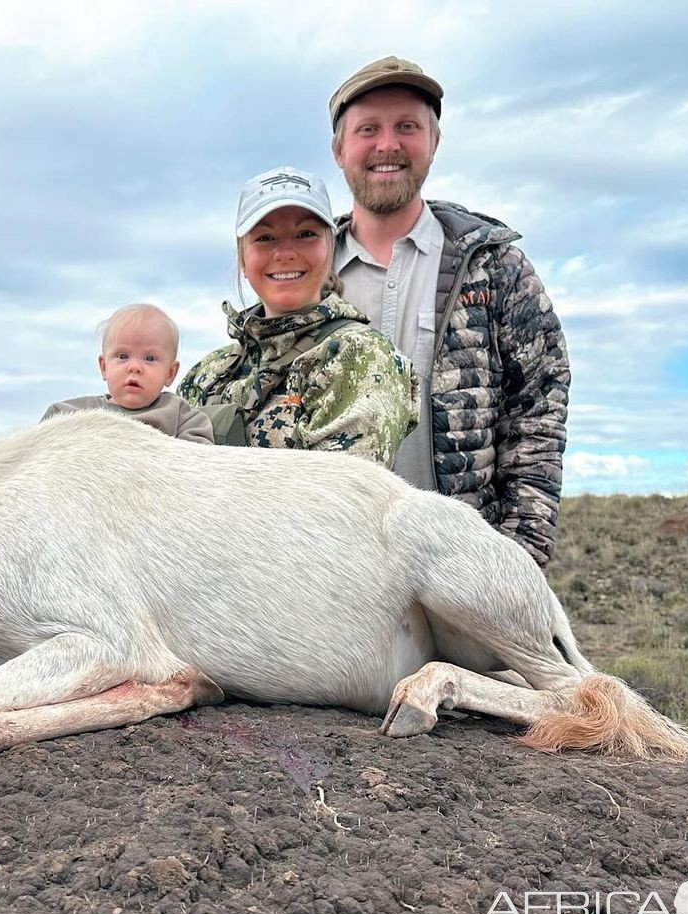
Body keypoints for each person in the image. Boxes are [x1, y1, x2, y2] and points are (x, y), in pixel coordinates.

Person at [328, 55, 570, 566]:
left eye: (407, 127)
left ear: (433, 143)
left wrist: (517, 557)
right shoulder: (301, 274)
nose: (387, 145)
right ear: (339, 149)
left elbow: (538, 411)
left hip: (460, 567)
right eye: (368, 129)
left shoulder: (495, 266)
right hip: (330, 573)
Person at [178, 166, 417, 465]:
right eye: (265, 238)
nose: (285, 253)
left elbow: (342, 500)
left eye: (305, 234)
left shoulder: (357, 356)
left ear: (330, 247)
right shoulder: (206, 375)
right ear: (242, 257)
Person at [43, 303, 215, 443]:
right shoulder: (73, 413)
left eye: (149, 358)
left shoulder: (182, 417)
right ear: (104, 367)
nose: (134, 367)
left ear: (170, 373)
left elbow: (198, 461)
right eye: (123, 356)